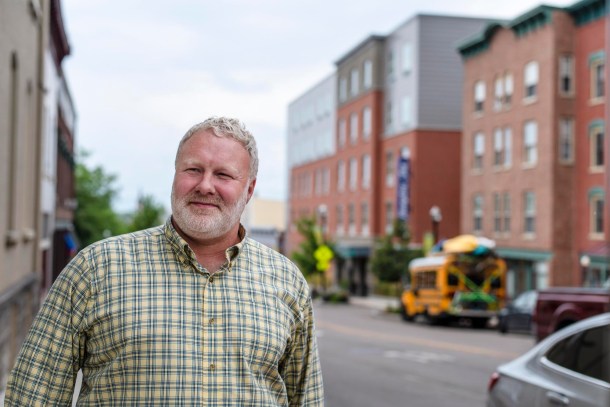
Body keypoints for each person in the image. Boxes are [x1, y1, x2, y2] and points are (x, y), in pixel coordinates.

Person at [5, 116, 324, 406]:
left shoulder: (286, 280)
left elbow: (306, 400)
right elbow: (32, 397)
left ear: (249, 189)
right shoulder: (95, 269)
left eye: (223, 175)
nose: (205, 185)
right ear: (175, 175)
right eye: (193, 169)